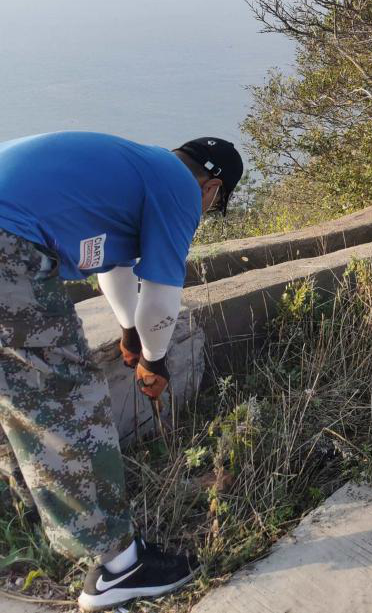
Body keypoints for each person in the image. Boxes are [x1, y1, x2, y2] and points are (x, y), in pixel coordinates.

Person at [0, 132, 243, 610]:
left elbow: (113, 266)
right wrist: (154, 360)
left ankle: (24, 513)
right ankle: (118, 567)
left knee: (13, 388)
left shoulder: (136, 170)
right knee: (66, 400)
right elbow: (161, 294)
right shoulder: (178, 186)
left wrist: (129, 333)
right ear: (212, 189)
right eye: (213, 205)